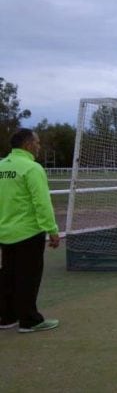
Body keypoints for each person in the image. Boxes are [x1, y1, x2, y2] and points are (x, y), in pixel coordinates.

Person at [0, 128, 60, 333]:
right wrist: (52, 230)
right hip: (28, 232)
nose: (39, 146)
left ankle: (6, 317)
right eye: (37, 142)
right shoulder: (32, 168)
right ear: (28, 145)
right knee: (28, 277)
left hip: (4, 233)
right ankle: (29, 320)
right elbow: (42, 203)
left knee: (7, 276)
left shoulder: (1, 167)